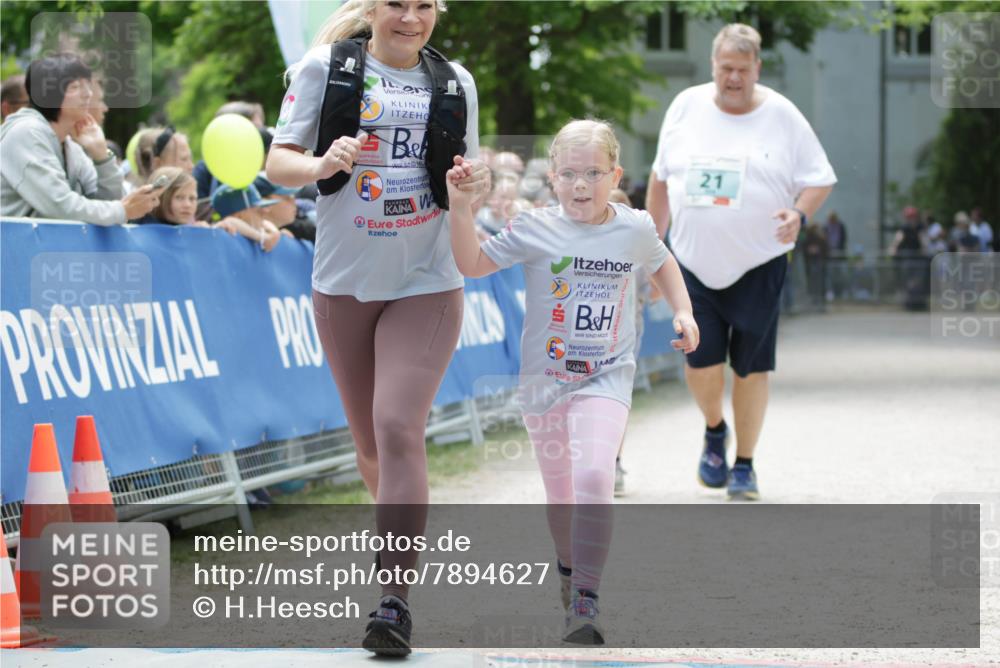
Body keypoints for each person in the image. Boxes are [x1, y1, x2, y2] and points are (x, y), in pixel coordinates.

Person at [264, 0, 489, 656]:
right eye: (397, 4)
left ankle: (393, 601)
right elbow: (279, 164)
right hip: (343, 284)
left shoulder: (456, 84)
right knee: (371, 445)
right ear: (369, 8)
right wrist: (322, 164)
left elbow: (468, 183)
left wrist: (472, 183)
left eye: (424, 6)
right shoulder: (324, 70)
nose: (410, 18)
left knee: (397, 426)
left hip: (428, 280)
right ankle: (401, 536)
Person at [447, 119, 699, 645]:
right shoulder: (535, 228)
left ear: (615, 175)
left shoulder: (634, 228)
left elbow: (664, 265)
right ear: (553, 178)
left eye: (593, 174)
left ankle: (586, 597)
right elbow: (470, 264)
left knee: (592, 477)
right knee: (561, 494)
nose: (580, 185)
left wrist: (684, 312)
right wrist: (460, 209)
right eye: (568, 174)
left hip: (606, 375)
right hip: (544, 383)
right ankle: (568, 569)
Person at [645, 24, 836, 500]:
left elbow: (820, 178)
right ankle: (714, 429)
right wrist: (649, 249)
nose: (733, 78)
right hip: (690, 260)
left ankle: (745, 464)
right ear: (713, 66)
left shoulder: (783, 115)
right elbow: (661, 179)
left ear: (758, 68)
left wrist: (798, 213)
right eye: (725, 69)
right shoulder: (686, 106)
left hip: (760, 262)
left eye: (742, 70)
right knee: (699, 360)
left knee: (750, 367)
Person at [0, 53, 159, 225]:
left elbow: (107, 204)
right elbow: (61, 207)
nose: (88, 94)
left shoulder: (70, 145)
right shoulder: (26, 133)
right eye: (75, 87)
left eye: (87, 86)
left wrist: (102, 157)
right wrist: (123, 210)